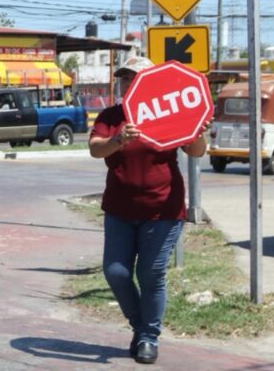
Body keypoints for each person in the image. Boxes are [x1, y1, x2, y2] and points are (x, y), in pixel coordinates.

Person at [87, 57, 209, 365]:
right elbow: (95, 149)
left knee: (151, 273)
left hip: (163, 208)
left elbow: (196, 151)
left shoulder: (168, 111)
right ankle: (140, 326)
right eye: (124, 78)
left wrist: (197, 131)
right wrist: (118, 139)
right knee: (116, 272)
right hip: (120, 209)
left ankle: (148, 337)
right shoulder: (112, 116)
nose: (127, 83)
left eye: (134, 77)